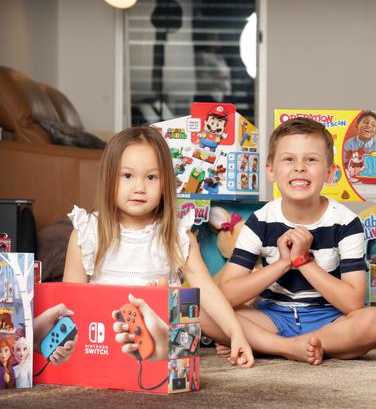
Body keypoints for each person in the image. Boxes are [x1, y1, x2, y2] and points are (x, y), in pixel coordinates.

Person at [63, 126, 253, 368]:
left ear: (165, 184)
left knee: (197, 310)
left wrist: (234, 332)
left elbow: (206, 289)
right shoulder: (88, 232)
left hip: (162, 348)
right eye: (127, 176)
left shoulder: (175, 234)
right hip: (102, 343)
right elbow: (70, 303)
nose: (139, 187)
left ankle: (245, 340)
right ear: (109, 178)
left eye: (151, 177)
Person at [212, 118, 376, 365]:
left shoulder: (346, 223)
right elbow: (228, 294)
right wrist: (283, 263)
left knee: (375, 321)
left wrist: (303, 260)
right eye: (289, 159)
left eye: (311, 159)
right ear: (270, 170)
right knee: (204, 309)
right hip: (272, 318)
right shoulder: (260, 221)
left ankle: (268, 343)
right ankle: (290, 347)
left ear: (330, 173)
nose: (299, 168)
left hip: (328, 320)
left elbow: (353, 303)